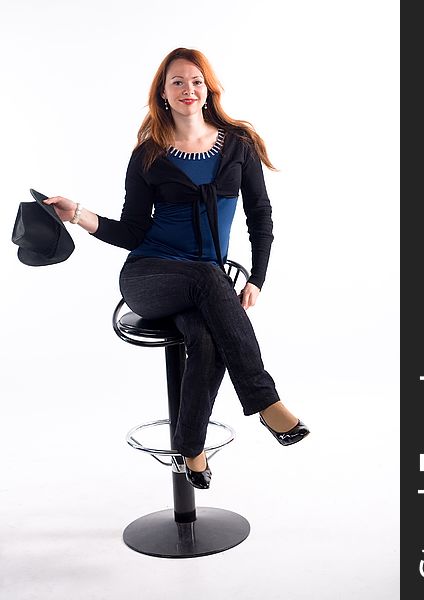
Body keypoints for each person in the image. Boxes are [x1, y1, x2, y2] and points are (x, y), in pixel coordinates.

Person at [43, 47, 310, 490]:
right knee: (210, 276)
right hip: (150, 276)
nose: (189, 89)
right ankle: (266, 403)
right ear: (163, 95)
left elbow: (260, 217)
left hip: (205, 283)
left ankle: (190, 449)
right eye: (178, 83)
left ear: (208, 90)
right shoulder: (149, 155)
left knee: (206, 338)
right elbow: (130, 232)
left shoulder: (237, 145)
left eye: (196, 81)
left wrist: (258, 279)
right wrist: (77, 214)